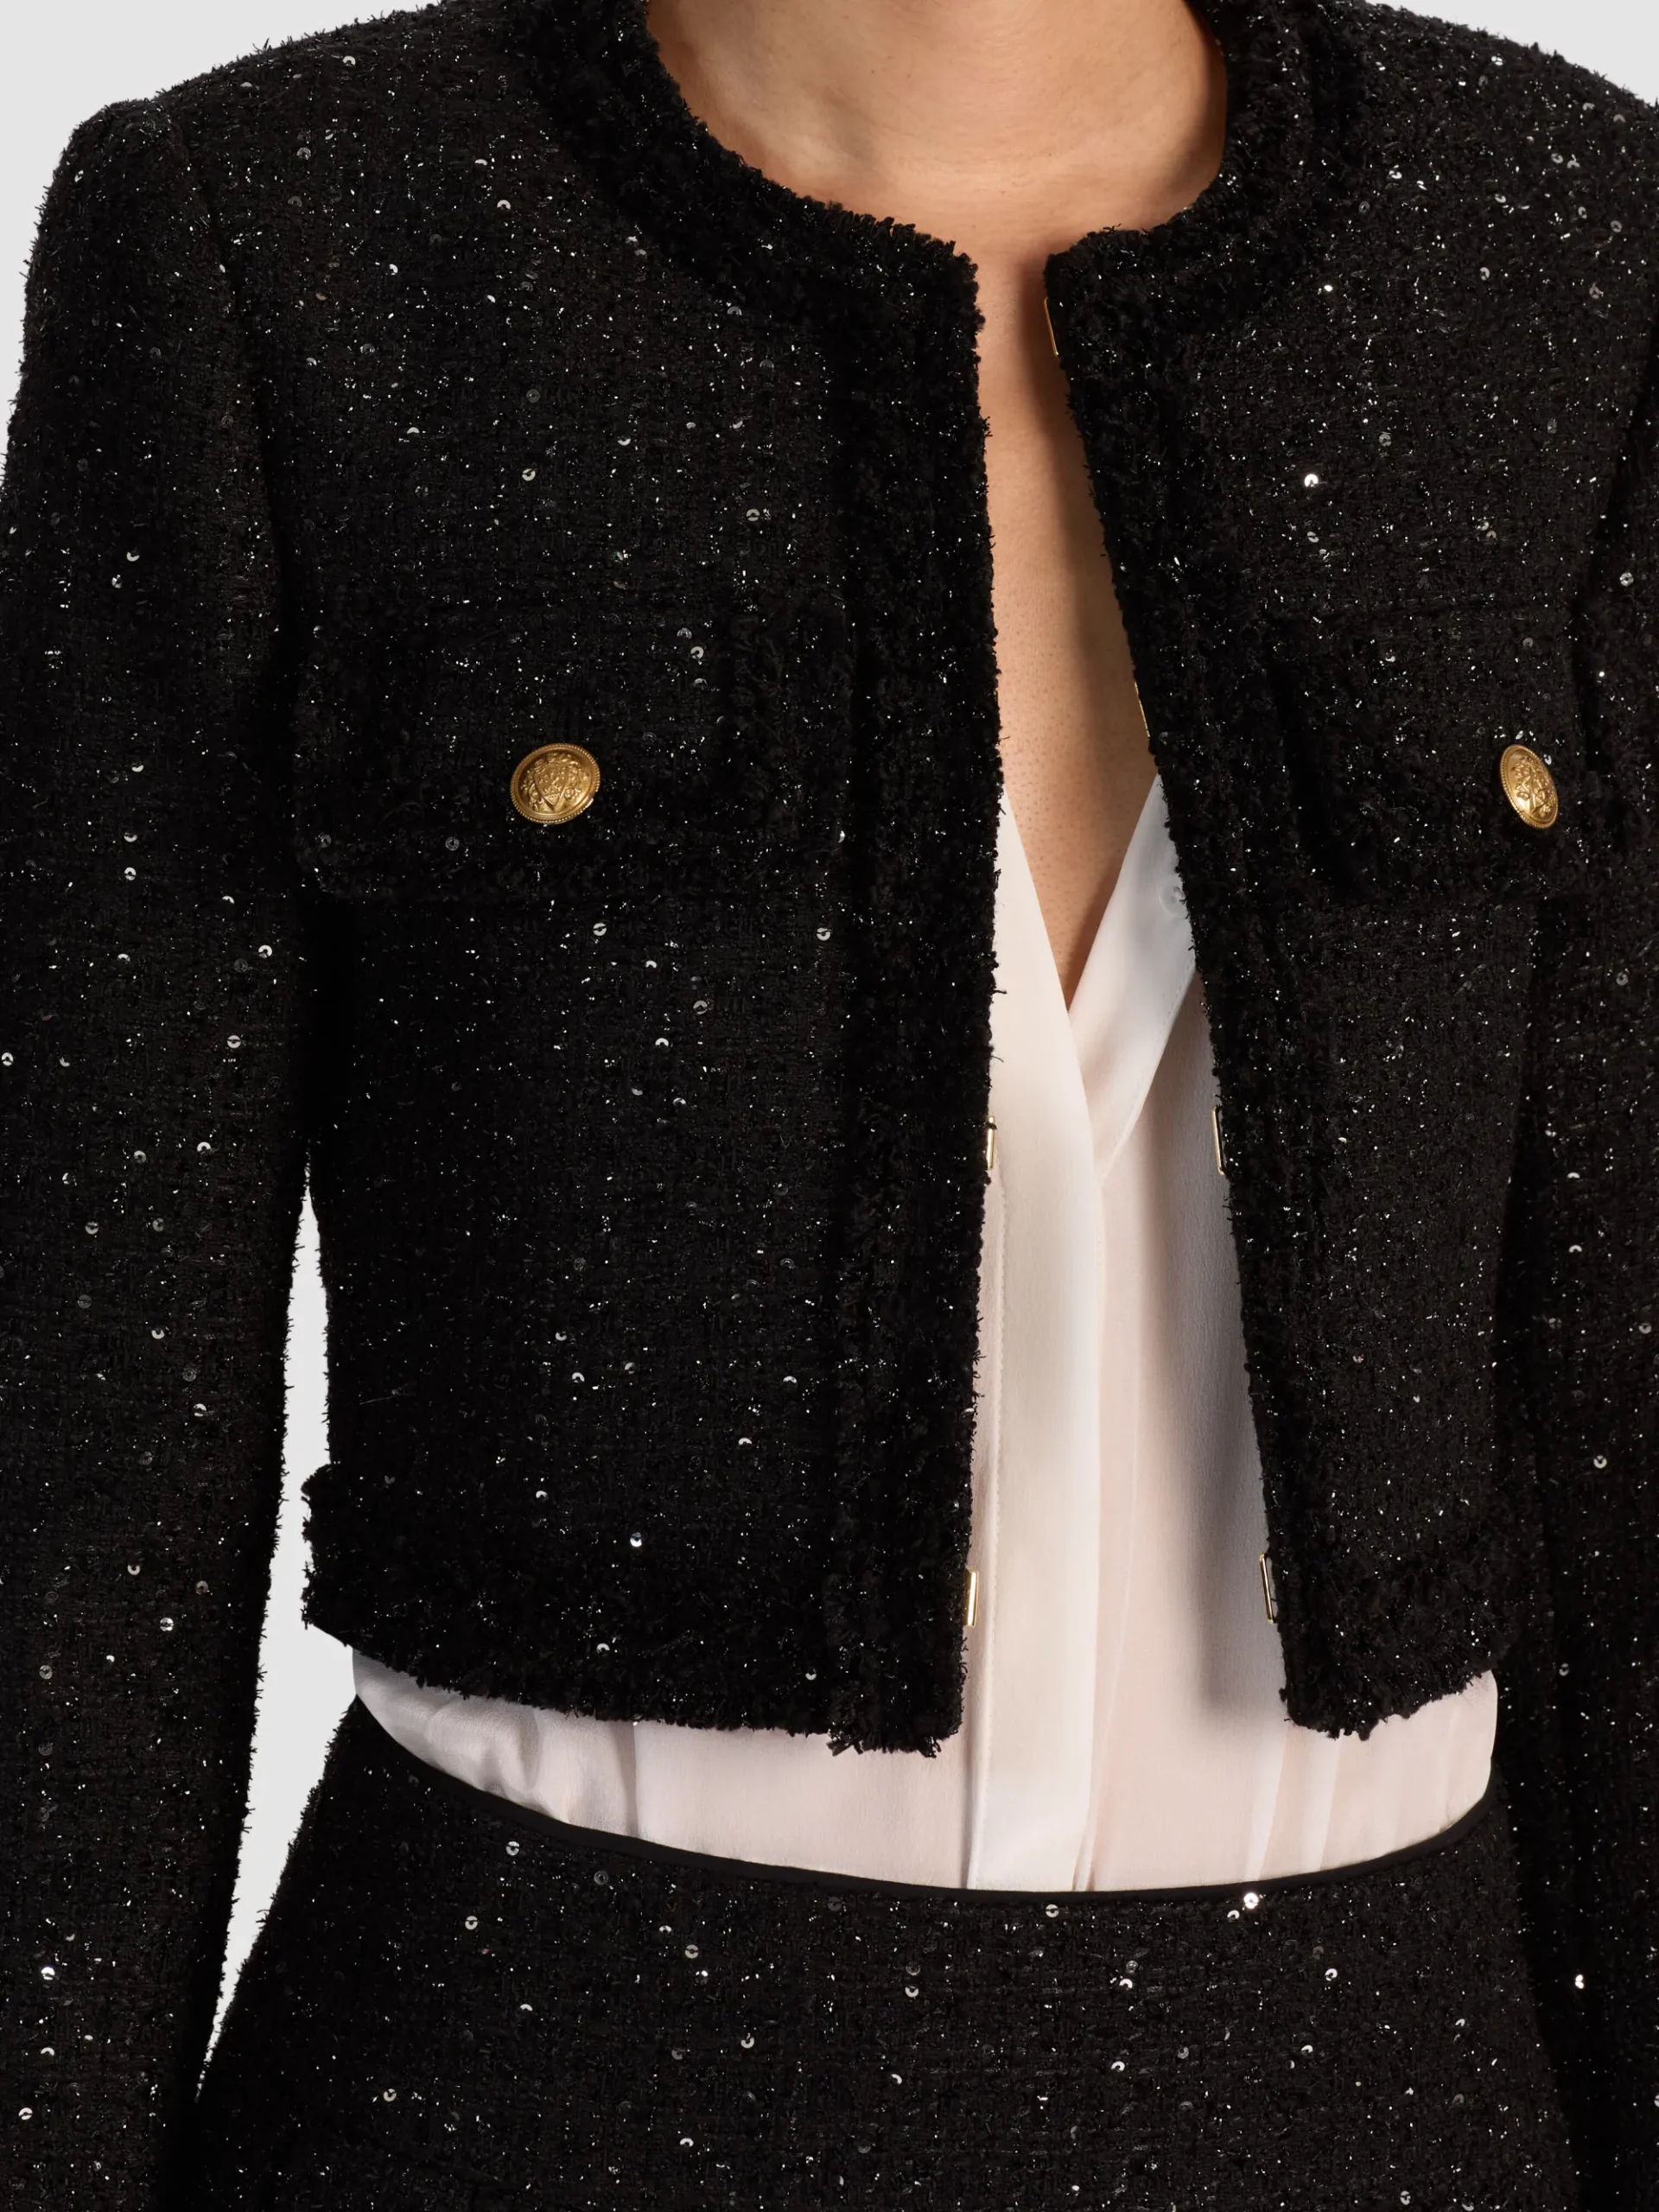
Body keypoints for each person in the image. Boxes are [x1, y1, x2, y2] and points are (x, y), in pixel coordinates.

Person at [1, 0, 1655, 2204]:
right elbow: (85, 1447)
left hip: (1400, 2100)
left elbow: (1624, 1389)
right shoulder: (286, 234)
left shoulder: (1557, 238)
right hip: (506, 2089)